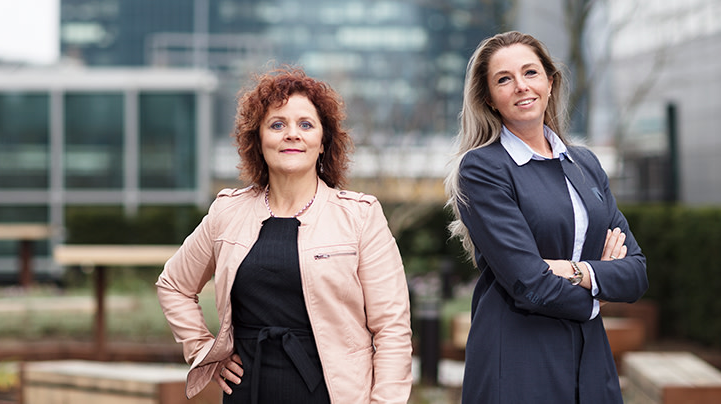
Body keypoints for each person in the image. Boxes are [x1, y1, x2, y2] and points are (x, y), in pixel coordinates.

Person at [156, 66, 412, 403]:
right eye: (277, 125)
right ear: (258, 141)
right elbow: (174, 285)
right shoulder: (227, 213)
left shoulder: (360, 217)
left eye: (306, 124)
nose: (292, 134)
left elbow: (392, 330)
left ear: (323, 142)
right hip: (247, 393)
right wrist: (203, 351)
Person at [444, 31, 649, 403]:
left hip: (591, 357)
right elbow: (528, 282)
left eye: (530, 72)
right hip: (519, 358)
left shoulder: (585, 163)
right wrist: (599, 290)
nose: (521, 86)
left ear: (550, 82)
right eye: (504, 79)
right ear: (488, 98)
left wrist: (575, 272)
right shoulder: (483, 168)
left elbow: (635, 272)